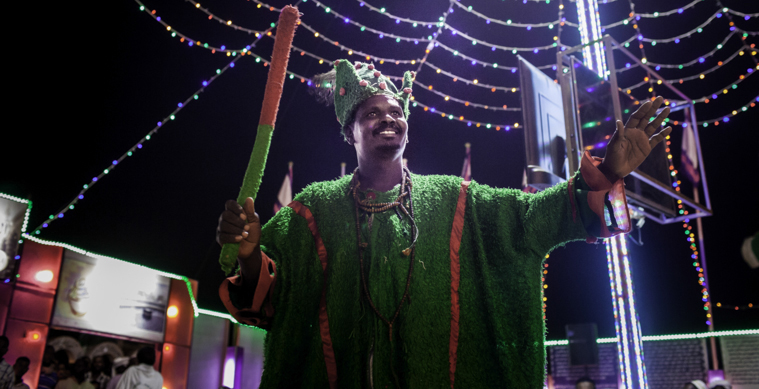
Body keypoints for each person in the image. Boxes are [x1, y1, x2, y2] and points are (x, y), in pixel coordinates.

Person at [216, 60, 672, 388]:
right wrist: (250, 253)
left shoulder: (456, 199)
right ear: (350, 131)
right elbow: (271, 302)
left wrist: (606, 174)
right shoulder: (313, 207)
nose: (387, 117)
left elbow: (532, 218)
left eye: (395, 111)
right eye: (371, 113)